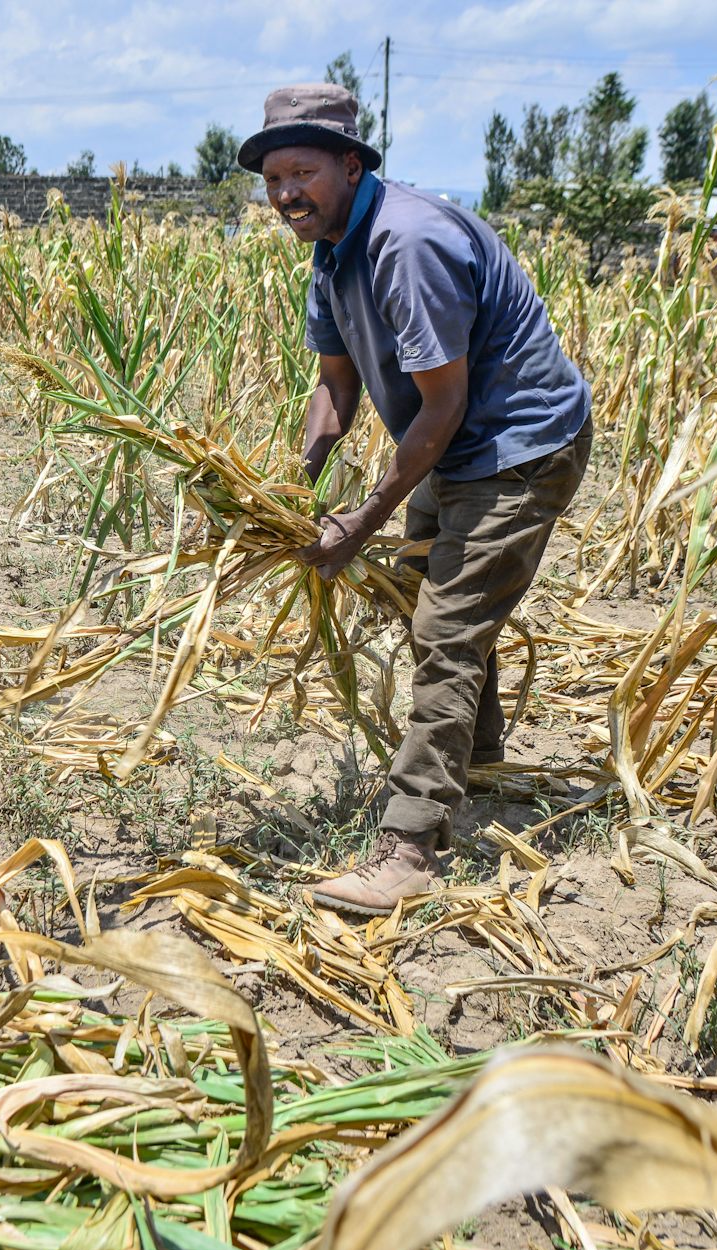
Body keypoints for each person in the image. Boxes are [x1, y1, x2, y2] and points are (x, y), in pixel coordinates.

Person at [238, 83, 592, 915]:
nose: (286, 193)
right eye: (274, 179)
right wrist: (292, 485)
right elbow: (336, 387)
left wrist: (365, 519)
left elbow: (443, 404)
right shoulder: (332, 252)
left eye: (302, 172)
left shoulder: (407, 243)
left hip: (519, 446)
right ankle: (480, 760)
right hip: (457, 446)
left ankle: (411, 850)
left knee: (446, 630)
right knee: (428, 598)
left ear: (350, 165)